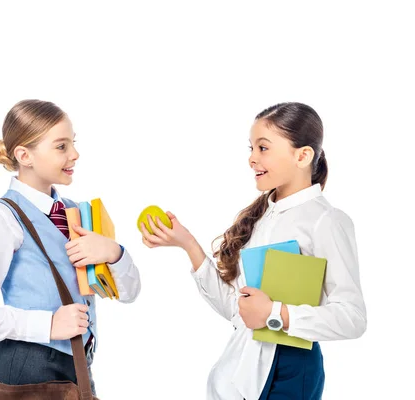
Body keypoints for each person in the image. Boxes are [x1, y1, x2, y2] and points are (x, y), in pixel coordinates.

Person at [140, 102, 366, 399]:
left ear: (303, 155)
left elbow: (353, 318)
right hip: (241, 371)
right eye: (251, 148)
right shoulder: (261, 218)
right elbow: (239, 312)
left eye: (263, 148)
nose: (251, 158)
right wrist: (187, 244)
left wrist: (276, 314)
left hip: (290, 370)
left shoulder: (326, 221)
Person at [0, 99, 141, 395]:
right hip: (28, 366)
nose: (75, 154)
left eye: (73, 144)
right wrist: (47, 324)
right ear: (24, 155)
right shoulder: (0, 218)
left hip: (79, 364)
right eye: (61, 146)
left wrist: (114, 254)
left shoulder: (80, 214)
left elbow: (129, 293)